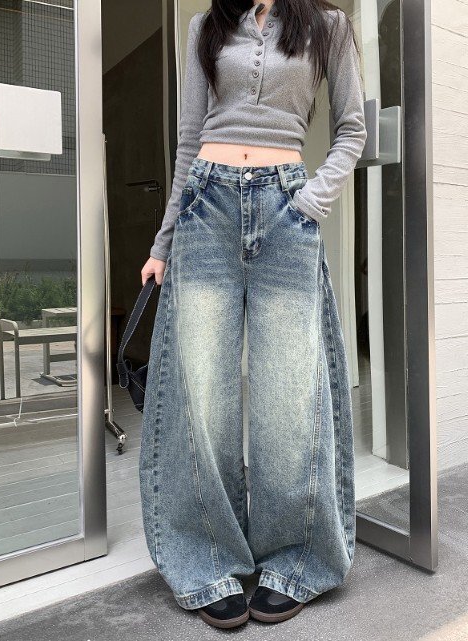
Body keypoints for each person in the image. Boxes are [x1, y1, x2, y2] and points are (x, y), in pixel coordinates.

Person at [139, 0, 367, 629]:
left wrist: (310, 204)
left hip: (286, 208)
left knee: (287, 395)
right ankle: (206, 556)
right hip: (206, 207)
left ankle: (296, 558)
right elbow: (189, 142)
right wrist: (164, 243)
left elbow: (352, 129)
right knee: (203, 394)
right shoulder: (207, 26)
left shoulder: (327, 27)